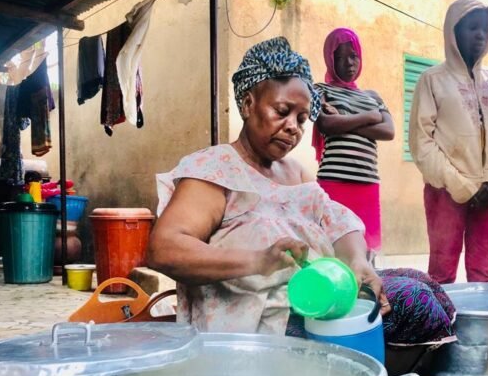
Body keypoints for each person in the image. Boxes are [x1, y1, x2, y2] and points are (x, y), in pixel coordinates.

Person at [146, 37, 388, 335]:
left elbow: (335, 220)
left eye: (301, 119)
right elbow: (165, 249)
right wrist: (258, 261)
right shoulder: (217, 167)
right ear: (248, 105)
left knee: (419, 296)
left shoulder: (297, 174)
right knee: (408, 309)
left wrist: (356, 262)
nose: (293, 127)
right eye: (282, 111)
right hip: (260, 325)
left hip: (322, 298)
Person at [409, 0, 488, 284]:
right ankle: (441, 329)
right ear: (453, 31)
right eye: (472, 27)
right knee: (441, 273)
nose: (480, 34)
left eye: (484, 28)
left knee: (482, 272)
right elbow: (422, 142)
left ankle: (480, 330)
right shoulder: (432, 80)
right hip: (445, 189)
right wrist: (460, 185)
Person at [313, 28, 395, 261]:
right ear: (330, 59)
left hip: (367, 183)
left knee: (366, 254)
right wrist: (370, 117)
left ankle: (365, 297)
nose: (348, 63)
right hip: (334, 182)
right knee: (332, 249)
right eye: (339, 57)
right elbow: (326, 125)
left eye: (353, 56)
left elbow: (389, 131)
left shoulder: (374, 96)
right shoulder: (321, 90)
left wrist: (344, 120)